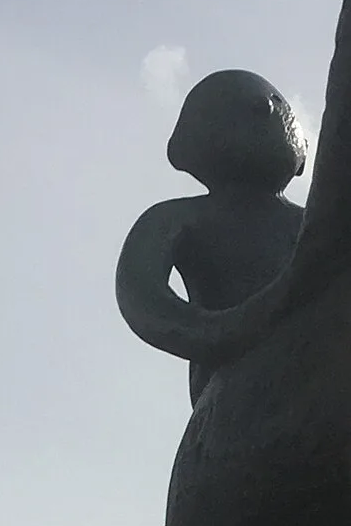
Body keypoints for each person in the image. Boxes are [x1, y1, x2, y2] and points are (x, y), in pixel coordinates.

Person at [114, 70, 308, 403]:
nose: (267, 111)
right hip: (231, 399)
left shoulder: (312, 222)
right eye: (264, 105)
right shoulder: (176, 219)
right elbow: (142, 298)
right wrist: (223, 331)